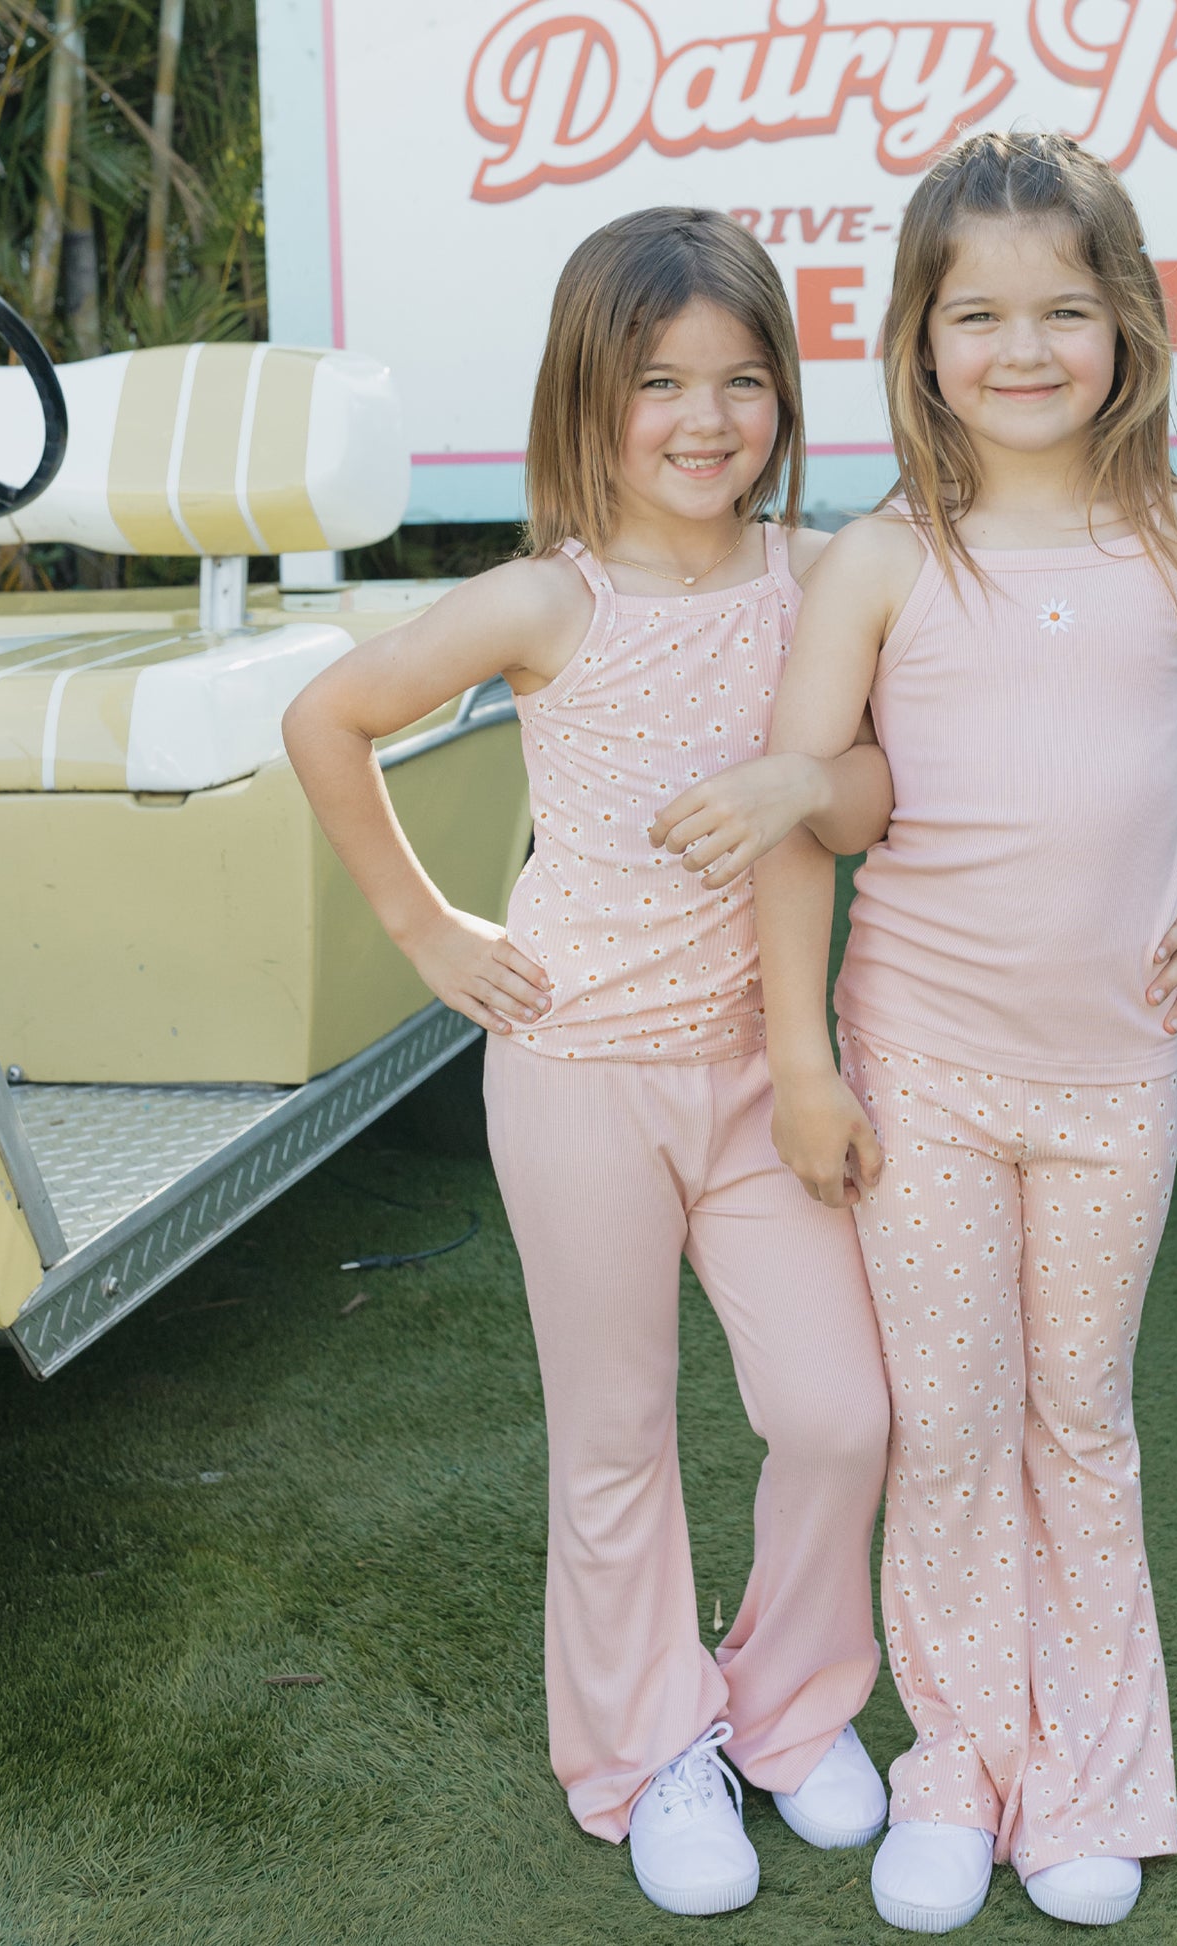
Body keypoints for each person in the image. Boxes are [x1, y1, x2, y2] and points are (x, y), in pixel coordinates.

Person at [744, 133, 1177, 1932]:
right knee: (944, 1422)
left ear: (1129, 326)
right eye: (978, 316)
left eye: (1061, 310)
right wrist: (801, 1058)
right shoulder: (874, 563)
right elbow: (805, 816)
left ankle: (1090, 1775)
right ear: (918, 340)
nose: (1021, 349)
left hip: (1115, 1069)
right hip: (920, 1065)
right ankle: (955, 1759)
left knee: (1075, 1413)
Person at [282, 207, 898, 1921]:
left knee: (836, 1411)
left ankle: (785, 1703)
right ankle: (648, 1752)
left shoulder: (821, 575)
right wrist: (430, 934)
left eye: (740, 380)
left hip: (766, 1069)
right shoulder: (546, 598)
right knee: (614, 1433)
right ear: (587, 394)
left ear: (784, 393)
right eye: (657, 384)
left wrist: (801, 795)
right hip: (575, 1073)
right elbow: (325, 718)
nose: (703, 420)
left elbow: (867, 797)